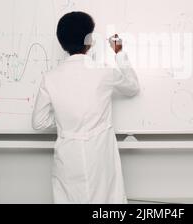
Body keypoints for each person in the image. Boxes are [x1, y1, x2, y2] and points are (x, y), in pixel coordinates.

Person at [31, 11, 139, 204]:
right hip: (100, 156)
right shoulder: (104, 72)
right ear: (90, 40)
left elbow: (38, 123)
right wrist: (119, 52)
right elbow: (132, 87)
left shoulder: (51, 78)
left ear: (62, 42)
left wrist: (66, 121)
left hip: (67, 155)